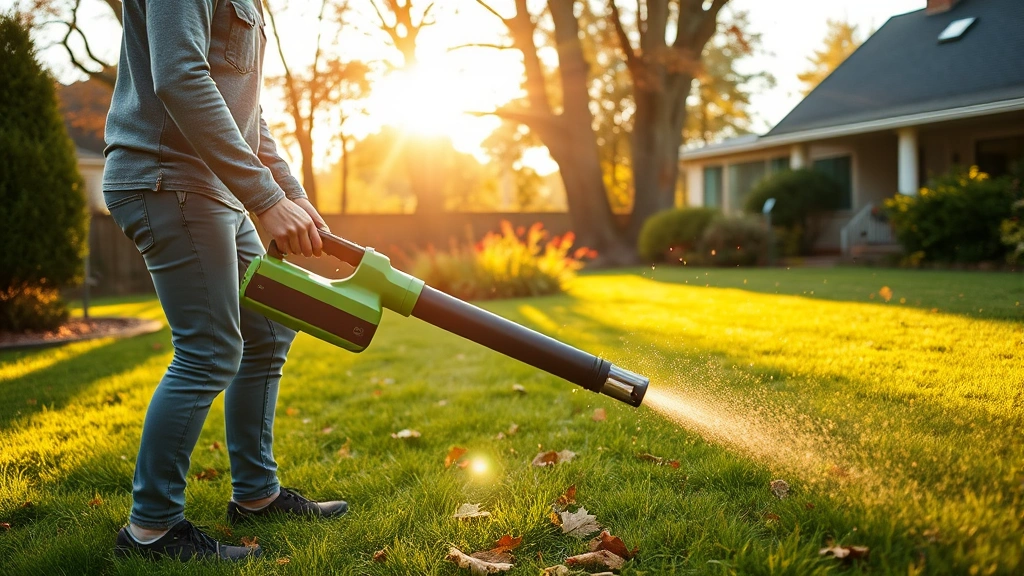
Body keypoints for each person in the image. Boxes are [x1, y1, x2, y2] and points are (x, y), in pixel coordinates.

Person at [102, 0, 345, 561]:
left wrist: (290, 194)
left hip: (217, 188)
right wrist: (265, 198)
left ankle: (257, 495)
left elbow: (247, 115)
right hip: (169, 178)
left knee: (267, 330)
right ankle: (152, 530)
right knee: (208, 349)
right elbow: (180, 77)